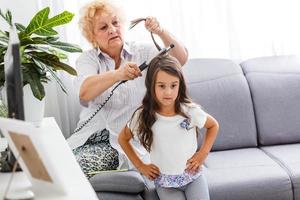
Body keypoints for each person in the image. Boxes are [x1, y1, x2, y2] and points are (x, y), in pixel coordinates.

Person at [67, 0, 188, 179]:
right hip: (86, 137)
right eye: (103, 27)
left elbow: (180, 59)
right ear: (93, 36)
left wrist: (160, 31)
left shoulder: (142, 52)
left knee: (69, 171)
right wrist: (118, 74)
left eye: (115, 23)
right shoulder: (88, 60)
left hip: (120, 143)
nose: (112, 29)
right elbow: (85, 91)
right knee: (48, 164)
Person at [118, 55, 219, 200]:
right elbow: (123, 138)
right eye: (161, 86)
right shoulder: (142, 115)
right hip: (165, 183)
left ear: (180, 85)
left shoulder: (190, 111)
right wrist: (141, 166)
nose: (168, 92)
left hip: (193, 178)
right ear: (151, 85)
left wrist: (202, 154)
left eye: (173, 85)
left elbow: (213, 125)